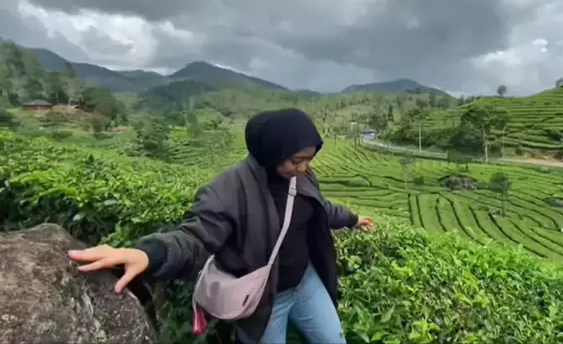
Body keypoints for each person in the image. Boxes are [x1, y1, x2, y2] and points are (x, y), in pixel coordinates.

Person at [68, 108, 375, 344]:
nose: (304, 167)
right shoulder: (230, 190)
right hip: (264, 298)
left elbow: (319, 208)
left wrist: (352, 219)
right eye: (297, 160)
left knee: (334, 339)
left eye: (309, 159)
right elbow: (196, 237)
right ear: (273, 151)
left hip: (305, 283)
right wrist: (149, 254)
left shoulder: (302, 177)